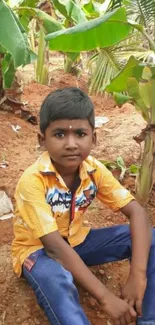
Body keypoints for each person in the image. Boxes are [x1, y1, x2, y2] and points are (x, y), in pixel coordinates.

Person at [12, 87, 155, 325]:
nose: (71, 144)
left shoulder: (93, 169)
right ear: (42, 140)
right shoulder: (32, 180)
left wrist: (138, 275)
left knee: (149, 238)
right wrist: (105, 297)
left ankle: (149, 319)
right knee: (56, 279)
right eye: (59, 135)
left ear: (94, 138)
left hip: (79, 242)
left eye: (80, 133)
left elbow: (137, 212)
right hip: (38, 251)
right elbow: (54, 247)